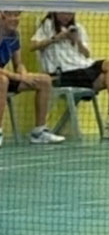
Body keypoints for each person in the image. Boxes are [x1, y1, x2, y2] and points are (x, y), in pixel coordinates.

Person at [29, 0, 109, 140]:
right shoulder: (47, 26)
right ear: (55, 10)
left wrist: (77, 41)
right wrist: (56, 38)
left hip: (83, 70)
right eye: (63, 11)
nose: (67, 15)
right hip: (64, 74)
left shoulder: (78, 28)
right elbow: (32, 46)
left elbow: (86, 55)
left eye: (70, 11)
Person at [0, 10, 66, 147]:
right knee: (2, 81)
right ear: (2, 16)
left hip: (6, 75)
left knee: (44, 81)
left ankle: (39, 132)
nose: (16, 19)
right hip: (3, 78)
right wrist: (17, 76)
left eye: (18, 15)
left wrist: (23, 75)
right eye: (12, 15)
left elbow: (18, 63)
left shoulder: (14, 36)